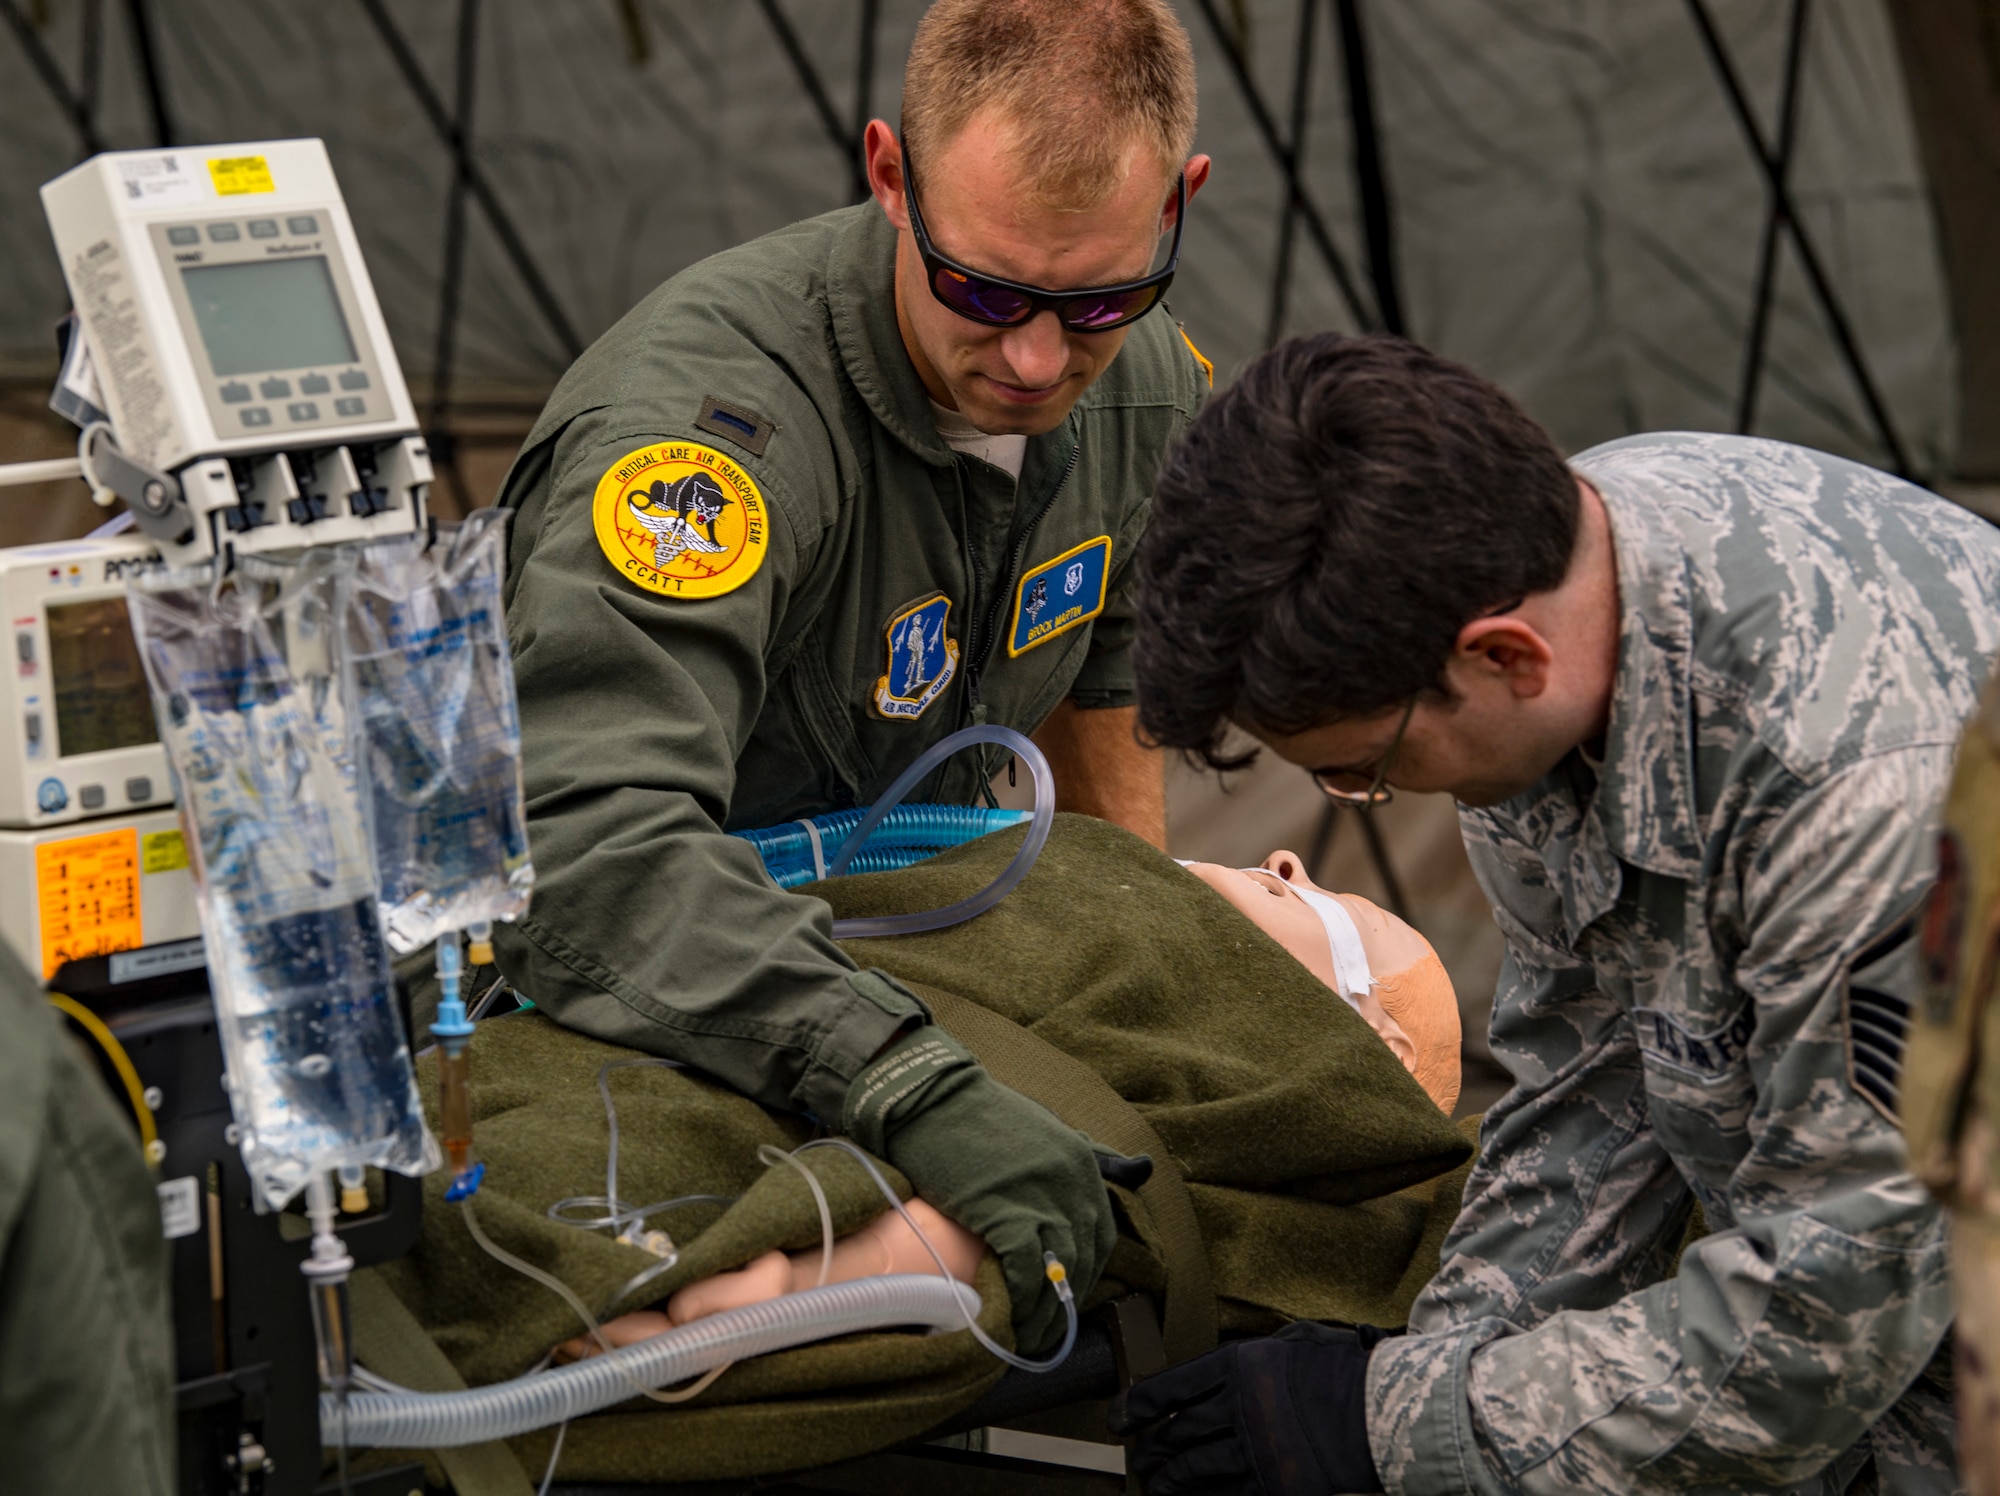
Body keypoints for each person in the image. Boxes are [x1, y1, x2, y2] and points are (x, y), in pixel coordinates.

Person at [1113, 330, 2000, 1495]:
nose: (1370, 799)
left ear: (1502, 655)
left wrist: (1391, 1434)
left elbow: (1845, 1292)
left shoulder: (1865, 786)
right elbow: (1589, 1093)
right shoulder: (1553, 567)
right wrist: (1429, 1374)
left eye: (1362, 771)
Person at [489, 0, 1212, 1358]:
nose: (1041, 361)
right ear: (889, 176)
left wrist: (1164, 968)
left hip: (916, 920)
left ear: (1182, 203)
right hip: (656, 968)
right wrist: (900, 1076)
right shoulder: (706, 451)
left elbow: (1109, 680)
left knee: (1376, 998)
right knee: (632, 1279)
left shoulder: (1147, 389)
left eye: (1100, 299)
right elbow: (583, 849)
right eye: (987, 294)